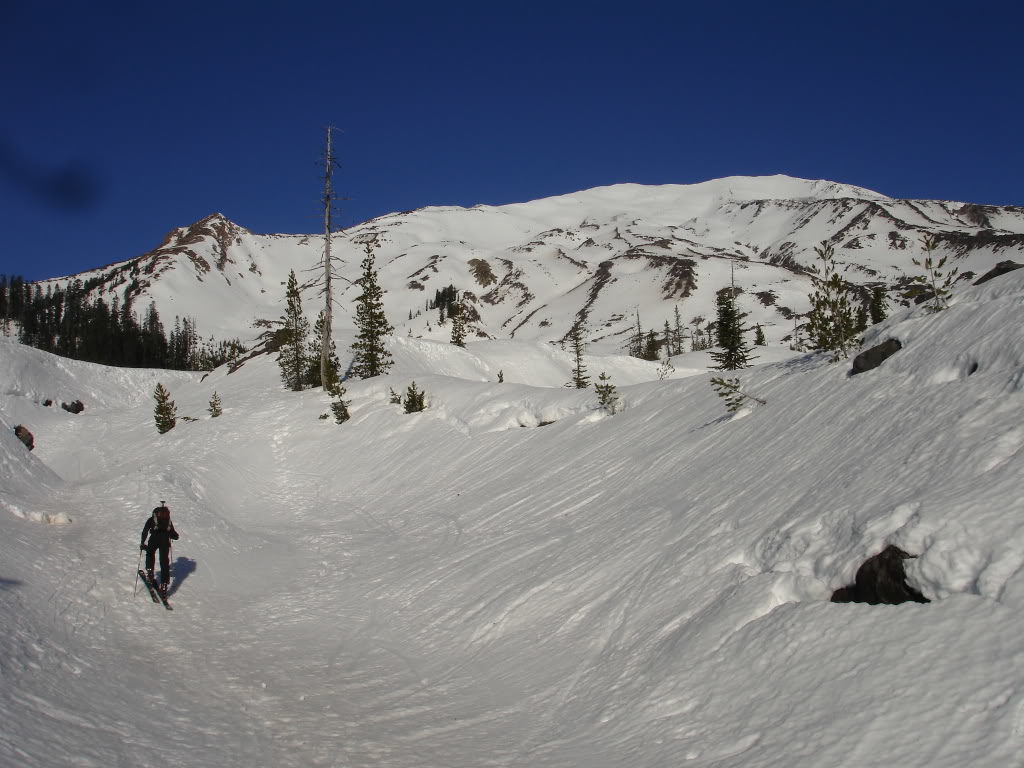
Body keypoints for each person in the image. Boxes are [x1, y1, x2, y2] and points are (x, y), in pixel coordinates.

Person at [140, 503, 179, 595]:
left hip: (154, 539)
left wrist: (142, 542)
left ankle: (150, 571)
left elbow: (145, 531)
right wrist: (174, 536)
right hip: (165, 541)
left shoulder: (152, 519)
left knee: (150, 553)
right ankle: (164, 584)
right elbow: (174, 534)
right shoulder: (168, 520)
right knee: (164, 562)